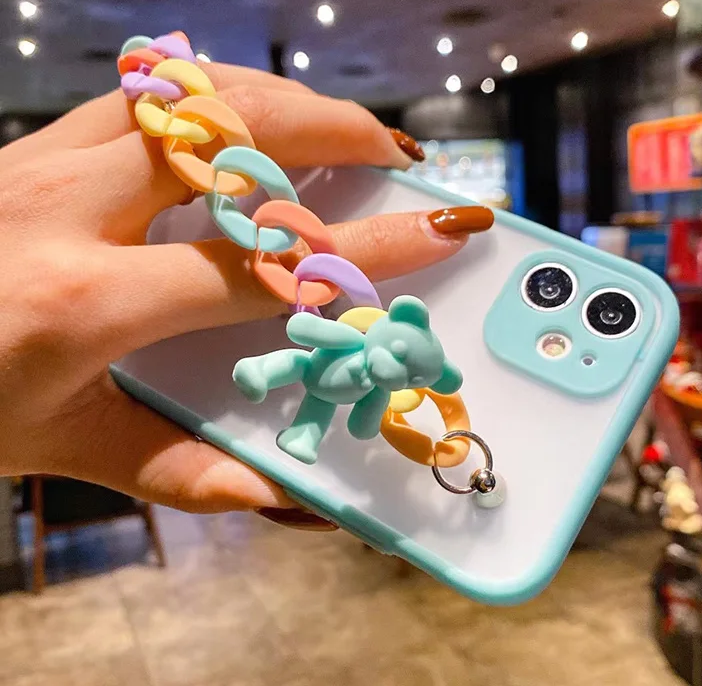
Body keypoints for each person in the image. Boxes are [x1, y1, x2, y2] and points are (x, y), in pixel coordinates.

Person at [0, 61, 492, 529]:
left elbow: (365, 417)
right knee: (292, 365)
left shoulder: (381, 375)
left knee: (312, 405)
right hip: (305, 340)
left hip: (323, 374)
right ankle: (264, 375)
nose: (399, 368)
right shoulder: (362, 339)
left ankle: (301, 431)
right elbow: (316, 332)